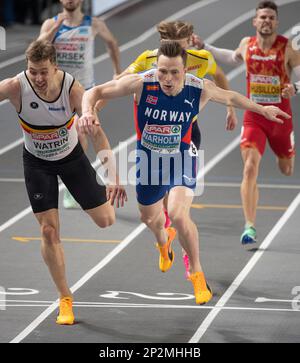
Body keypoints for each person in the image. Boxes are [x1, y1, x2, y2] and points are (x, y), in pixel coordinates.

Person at [79, 41, 289, 304]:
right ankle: (162, 241)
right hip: (149, 162)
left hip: (181, 158)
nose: (167, 78)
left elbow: (232, 97)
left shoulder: (198, 88)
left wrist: (263, 109)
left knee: (178, 214)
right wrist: (87, 111)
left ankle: (196, 273)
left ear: (185, 69)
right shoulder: (142, 83)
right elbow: (95, 91)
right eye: (162, 71)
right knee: (149, 218)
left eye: (174, 72)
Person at [0, 40, 127, 325]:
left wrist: (114, 176)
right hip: (36, 163)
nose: (39, 79)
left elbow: (98, 135)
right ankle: (65, 298)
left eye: (44, 72)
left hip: (71, 160)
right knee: (48, 232)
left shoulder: (73, 90)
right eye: (33, 72)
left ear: (55, 66)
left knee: (106, 220)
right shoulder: (14, 87)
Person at [118, 20, 238, 279]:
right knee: (161, 203)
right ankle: (166, 235)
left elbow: (219, 78)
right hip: (154, 133)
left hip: (186, 133)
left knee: (179, 207)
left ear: (188, 43)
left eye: (180, 44)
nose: (174, 48)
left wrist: (229, 107)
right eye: (167, 44)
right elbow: (121, 79)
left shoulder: (202, 57)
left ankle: (188, 257)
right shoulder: (149, 59)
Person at [195, 0, 300, 246]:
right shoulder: (246, 44)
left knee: (287, 169)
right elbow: (231, 58)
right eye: (262, 17)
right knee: (250, 167)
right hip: (255, 116)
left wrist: (294, 88)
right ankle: (249, 226)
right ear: (255, 21)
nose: (266, 21)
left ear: (276, 22)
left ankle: (284, 151)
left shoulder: (288, 49)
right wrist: (204, 46)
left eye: (270, 17)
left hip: (281, 119)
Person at [38, 0, 122, 209]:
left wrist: (117, 70)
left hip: (84, 92)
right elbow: (36, 50)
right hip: (57, 91)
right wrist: (53, 31)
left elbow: (112, 42)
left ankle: (70, 186)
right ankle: (69, 178)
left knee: (81, 133)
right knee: (61, 140)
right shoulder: (51, 23)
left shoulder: (93, 24)